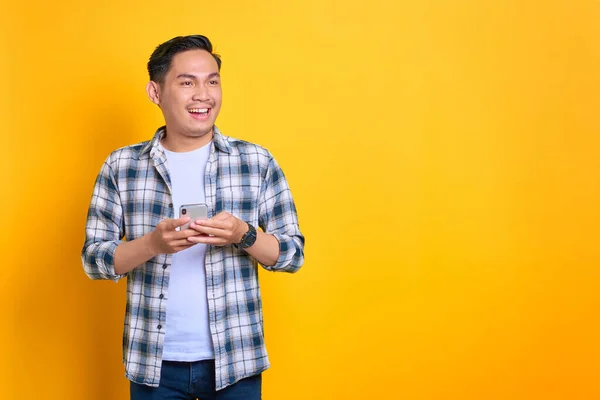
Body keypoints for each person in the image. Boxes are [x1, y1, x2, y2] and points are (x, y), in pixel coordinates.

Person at [81, 34, 305, 400]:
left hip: (236, 360)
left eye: (212, 81)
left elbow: (292, 255)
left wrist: (244, 234)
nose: (203, 94)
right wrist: (152, 244)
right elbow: (94, 261)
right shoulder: (122, 166)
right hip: (154, 364)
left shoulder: (256, 162)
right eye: (187, 82)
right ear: (155, 92)